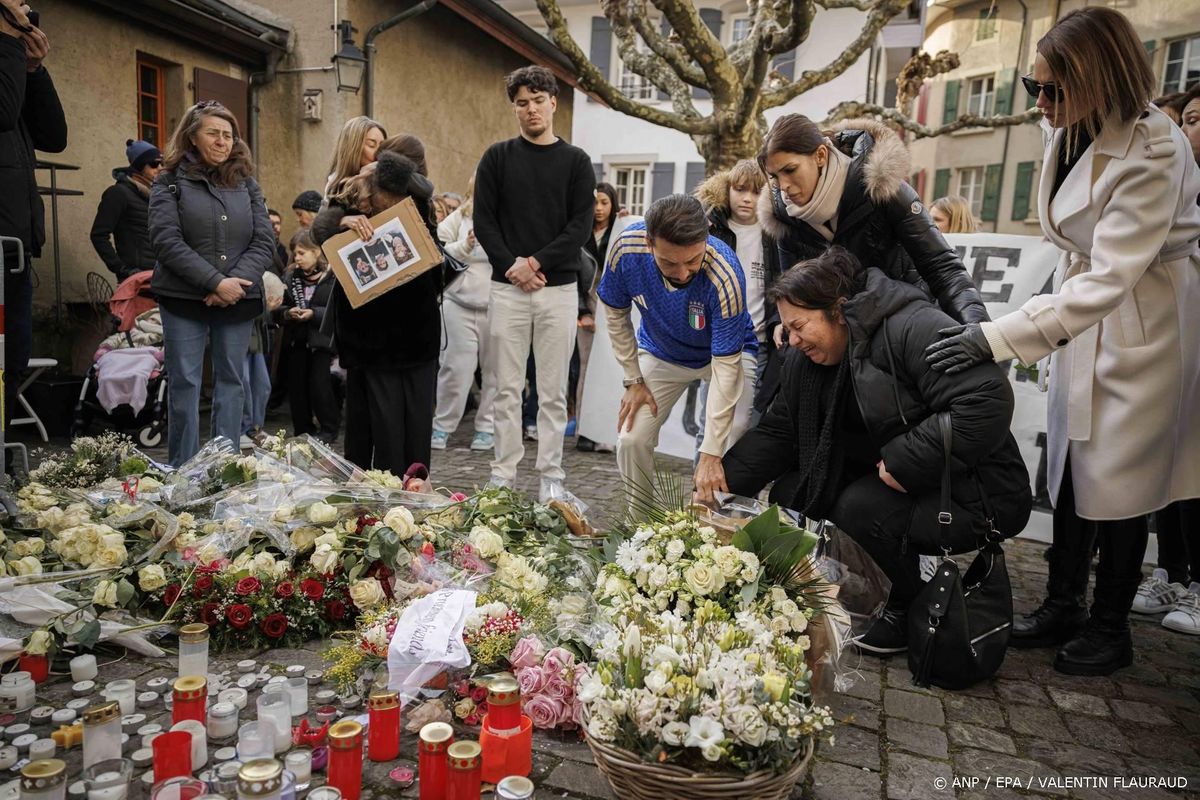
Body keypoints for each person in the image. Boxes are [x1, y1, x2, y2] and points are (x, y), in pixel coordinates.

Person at [924, 7, 1200, 675]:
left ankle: (1110, 625)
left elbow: (1110, 277)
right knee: (1074, 464)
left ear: (1098, 80)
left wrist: (997, 337)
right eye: (1033, 87)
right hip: (1086, 311)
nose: (1039, 103)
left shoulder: (1156, 149)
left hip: (1144, 317)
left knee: (1123, 476)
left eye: (1051, 89)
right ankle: (1062, 602)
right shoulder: (1071, 125)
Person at [724, 247, 1031, 653]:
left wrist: (907, 460)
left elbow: (986, 400)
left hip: (976, 491)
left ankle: (905, 605)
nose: (792, 340)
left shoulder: (912, 326)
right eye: (787, 328)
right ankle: (862, 588)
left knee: (859, 509)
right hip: (900, 477)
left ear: (838, 310)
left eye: (799, 326)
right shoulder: (805, 358)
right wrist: (721, 486)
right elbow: (779, 432)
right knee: (792, 491)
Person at [755, 114, 989, 411]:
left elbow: (943, 267)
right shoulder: (783, 216)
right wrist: (782, 322)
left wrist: (978, 329)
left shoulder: (885, 189)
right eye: (774, 177)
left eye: (790, 170)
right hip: (837, 343)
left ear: (821, 155)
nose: (784, 186)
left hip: (900, 333)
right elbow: (790, 287)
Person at [473, 65, 596, 501]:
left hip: (558, 290)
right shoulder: (496, 158)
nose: (531, 109)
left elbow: (579, 227)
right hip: (507, 288)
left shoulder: (576, 162)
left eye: (538, 100)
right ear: (514, 108)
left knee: (552, 390)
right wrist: (513, 266)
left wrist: (536, 262)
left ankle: (551, 476)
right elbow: (484, 222)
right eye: (522, 103)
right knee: (505, 386)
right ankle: (503, 474)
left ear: (553, 103)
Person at [599, 194, 758, 506]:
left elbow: (726, 368)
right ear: (649, 243)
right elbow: (615, 314)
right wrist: (633, 379)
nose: (683, 273)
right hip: (662, 351)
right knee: (631, 438)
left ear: (706, 236)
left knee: (731, 435)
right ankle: (641, 525)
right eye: (669, 262)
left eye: (692, 261)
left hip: (725, 355)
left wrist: (711, 452)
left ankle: (713, 521)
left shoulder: (725, 273)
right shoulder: (625, 250)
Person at [148, 100, 273, 466]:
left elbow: (264, 241)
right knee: (185, 383)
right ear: (192, 137)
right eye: (213, 133)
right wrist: (215, 282)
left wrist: (234, 286)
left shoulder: (247, 184)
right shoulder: (169, 181)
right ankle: (184, 471)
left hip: (237, 299)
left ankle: (225, 468)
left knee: (232, 382)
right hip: (183, 298)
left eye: (228, 135)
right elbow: (165, 240)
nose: (222, 142)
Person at [311, 145, 444, 474]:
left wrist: (386, 168)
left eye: (380, 150)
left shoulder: (415, 201)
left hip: (415, 332)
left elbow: (426, 191)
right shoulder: (346, 198)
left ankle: (414, 485)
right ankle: (385, 488)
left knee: (415, 425)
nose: (372, 158)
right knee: (380, 429)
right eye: (370, 146)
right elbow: (321, 231)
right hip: (370, 338)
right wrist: (342, 220)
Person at [1133, 81, 1200, 636]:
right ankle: (1171, 572)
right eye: (1187, 118)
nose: (1187, 130)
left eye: (1195, 119)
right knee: (1171, 468)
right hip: (1178, 338)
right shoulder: (1174, 183)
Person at [1, 0, 66, 449]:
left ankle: (2, 463)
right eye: (16, 5)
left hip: (15, 250)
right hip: (1, 244)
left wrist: (34, 70)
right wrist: (7, 43)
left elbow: (54, 137)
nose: (27, 11)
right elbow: (2, 113)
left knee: (11, 362)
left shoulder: (11, 70)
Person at [695, 159, 781, 428]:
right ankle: (704, 459)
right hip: (716, 339)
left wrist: (777, 321)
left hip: (758, 340)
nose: (747, 199)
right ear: (727, 189)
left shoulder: (774, 232)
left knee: (745, 423)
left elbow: (782, 281)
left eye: (756, 192)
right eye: (740, 189)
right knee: (710, 421)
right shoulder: (710, 228)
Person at [432, 177, 497, 452]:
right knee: (455, 370)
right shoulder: (459, 217)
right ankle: (442, 425)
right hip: (459, 303)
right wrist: (466, 245)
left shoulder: (509, 215)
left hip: (497, 305)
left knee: (496, 372)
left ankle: (487, 428)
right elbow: (438, 249)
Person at [279, 229, 339, 442]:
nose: (297, 258)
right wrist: (287, 313)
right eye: (295, 253)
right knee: (297, 389)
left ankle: (328, 429)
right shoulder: (290, 277)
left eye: (302, 253)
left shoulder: (332, 277)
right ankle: (303, 430)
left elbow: (337, 310)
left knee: (320, 387)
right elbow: (278, 307)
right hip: (297, 340)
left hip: (321, 342)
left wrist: (314, 314)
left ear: (317, 252)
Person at [575, 181, 619, 453]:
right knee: (586, 369)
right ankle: (585, 429)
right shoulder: (579, 233)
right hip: (589, 305)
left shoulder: (619, 232)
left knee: (611, 369)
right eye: (595, 203)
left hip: (614, 308)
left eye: (605, 202)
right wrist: (582, 312)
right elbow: (573, 276)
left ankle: (607, 432)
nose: (599, 208)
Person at [90, 139, 161, 284]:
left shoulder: (155, 195)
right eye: (154, 164)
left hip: (160, 277)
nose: (160, 168)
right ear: (139, 166)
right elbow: (98, 235)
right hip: (137, 280)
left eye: (162, 163)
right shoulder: (118, 193)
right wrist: (122, 269)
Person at [324, 116, 387, 198]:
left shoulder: (387, 183)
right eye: (371, 145)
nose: (379, 152)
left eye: (382, 146)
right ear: (353, 148)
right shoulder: (337, 190)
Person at [266, 207, 288, 276]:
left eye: (278, 223)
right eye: (271, 223)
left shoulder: (282, 250)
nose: (275, 227)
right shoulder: (256, 247)